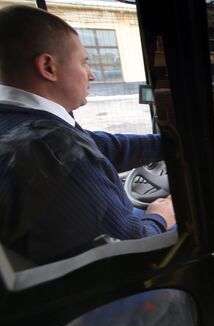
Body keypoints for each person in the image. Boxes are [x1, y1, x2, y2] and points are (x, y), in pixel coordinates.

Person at [0, 5, 176, 264]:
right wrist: (161, 216)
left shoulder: (22, 122)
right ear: (48, 66)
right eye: (84, 62)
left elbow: (104, 147)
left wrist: (175, 144)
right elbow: (131, 245)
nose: (91, 75)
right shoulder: (52, 150)